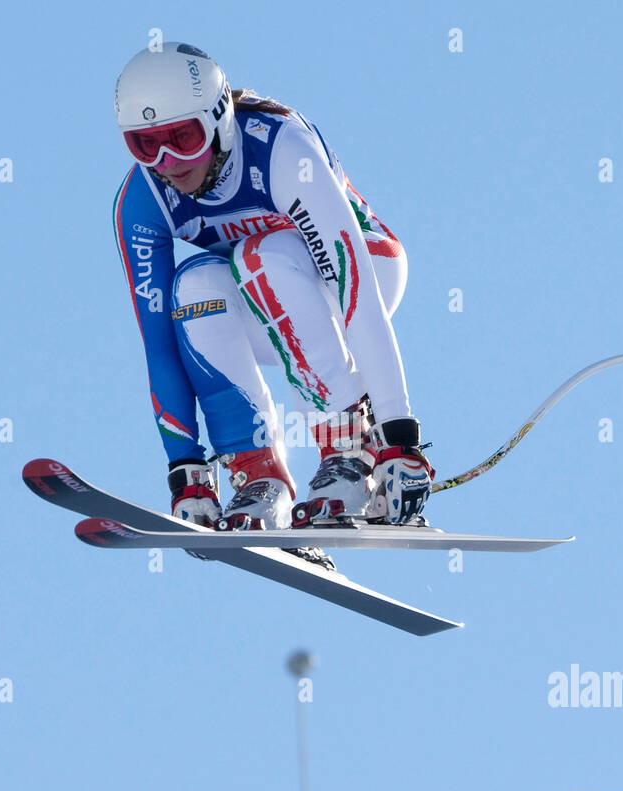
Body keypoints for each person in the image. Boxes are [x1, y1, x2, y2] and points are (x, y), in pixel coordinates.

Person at [112, 41, 433, 534]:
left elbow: (358, 294)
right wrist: (186, 470)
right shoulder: (142, 199)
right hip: (270, 311)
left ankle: (348, 448)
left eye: (184, 136)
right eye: (145, 144)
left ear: (218, 119)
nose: (169, 160)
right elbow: (158, 346)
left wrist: (398, 437)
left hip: (363, 273)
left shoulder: (280, 151)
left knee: (258, 257)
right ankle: (258, 475)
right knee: (194, 286)